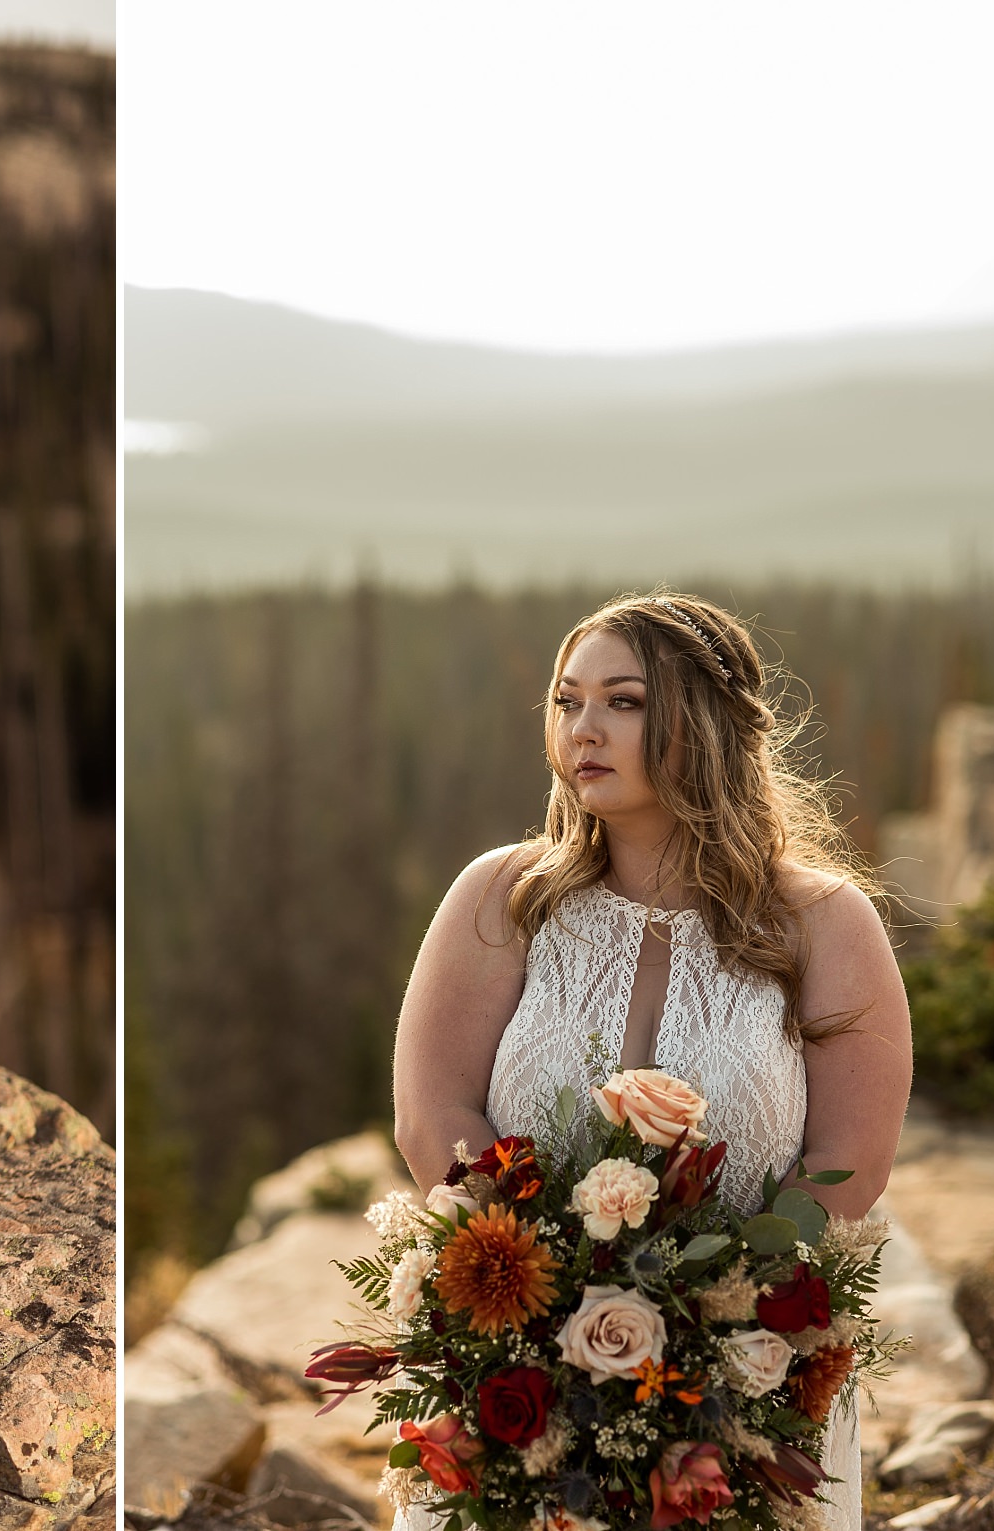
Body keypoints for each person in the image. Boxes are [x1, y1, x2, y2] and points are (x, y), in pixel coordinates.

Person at [390, 592, 912, 1531]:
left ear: (704, 726)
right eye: (567, 700)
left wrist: (715, 1324)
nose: (583, 728)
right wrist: (541, 1303)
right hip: (517, 1374)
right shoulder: (501, 898)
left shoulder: (827, 923)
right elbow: (433, 1115)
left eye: (623, 702)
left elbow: (852, 1160)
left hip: (742, 1389)